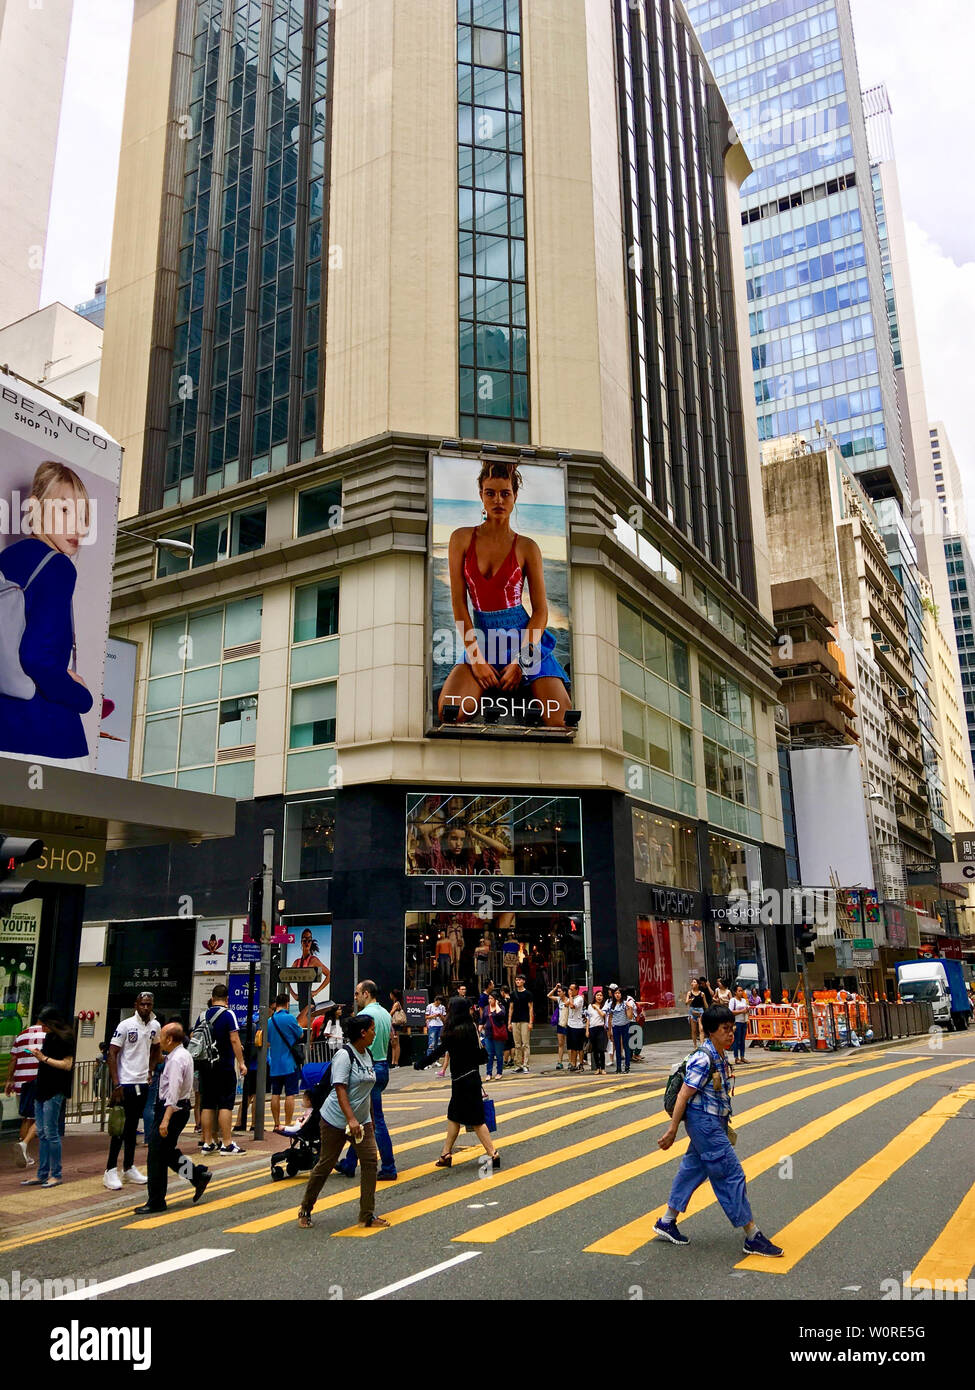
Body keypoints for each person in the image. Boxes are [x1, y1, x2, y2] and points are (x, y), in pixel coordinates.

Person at [438, 458, 571, 727]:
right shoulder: (461, 539)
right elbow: (459, 605)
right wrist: (476, 659)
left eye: (505, 493)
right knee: (450, 712)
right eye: (490, 493)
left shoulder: (527, 547)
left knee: (561, 721)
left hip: (524, 640)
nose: (498, 500)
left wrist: (522, 662)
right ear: (481, 496)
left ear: (515, 497)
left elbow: (541, 611)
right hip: (484, 640)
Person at [654, 1005, 783, 1257]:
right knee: (731, 1174)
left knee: (693, 1169)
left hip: (712, 1123)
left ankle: (667, 1221)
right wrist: (672, 1130)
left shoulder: (719, 1054)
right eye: (725, 1029)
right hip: (706, 1125)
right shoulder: (704, 1058)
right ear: (711, 1031)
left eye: (731, 1028)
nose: (730, 1033)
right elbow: (683, 1095)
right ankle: (752, 1235)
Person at [0, 461, 94, 764]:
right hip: (46, 737)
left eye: (82, 516)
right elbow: (36, 658)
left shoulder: (6, 559)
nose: (77, 527)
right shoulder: (57, 567)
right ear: (34, 508)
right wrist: (82, 696)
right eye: (65, 511)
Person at [297, 1014, 390, 1231]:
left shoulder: (367, 1054)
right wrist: (350, 1119)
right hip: (335, 1119)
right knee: (326, 1164)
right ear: (363, 1033)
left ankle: (366, 1215)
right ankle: (305, 1208)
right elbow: (340, 1089)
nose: (375, 1034)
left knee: (370, 1163)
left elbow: (366, 1091)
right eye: (373, 1029)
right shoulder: (344, 1055)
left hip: (362, 1120)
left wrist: (369, 1121)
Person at [134, 1023, 212, 1214]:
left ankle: (156, 1200)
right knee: (167, 1153)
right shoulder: (179, 1055)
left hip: (172, 1109)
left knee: (156, 1155)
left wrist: (165, 1119)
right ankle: (197, 1175)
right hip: (176, 1108)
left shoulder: (177, 1059)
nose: (159, 1040)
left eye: (161, 1036)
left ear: (169, 1039)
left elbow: (174, 1091)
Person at [414, 998, 500, 1169]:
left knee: (474, 1119)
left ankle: (493, 1153)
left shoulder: (453, 1032)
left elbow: (438, 1051)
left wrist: (420, 1064)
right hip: (473, 1077)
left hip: (460, 1080)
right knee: (455, 1115)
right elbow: (481, 1054)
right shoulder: (472, 1028)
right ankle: (446, 1154)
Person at [335, 980, 399, 1182]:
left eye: (357, 993)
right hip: (382, 1066)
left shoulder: (365, 1017)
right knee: (365, 1117)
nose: (355, 997)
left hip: (368, 1070)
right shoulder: (384, 1014)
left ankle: (388, 1166)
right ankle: (349, 1163)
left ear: (366, 994)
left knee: (375, 1120)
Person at [103, 990, 160, 1191]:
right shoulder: (125, 1025)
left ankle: (128, 1167)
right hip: (125, 1083)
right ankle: (110, 1169)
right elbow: (112, 1053)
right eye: (142, 1004)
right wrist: (116, 1083)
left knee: (132, 1127)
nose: (145, 1007)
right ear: (136, 1004)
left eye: (149, 1004)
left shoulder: (155, 1025)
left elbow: (156, 1048)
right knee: (118, 1128)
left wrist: (151, 1069)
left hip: (142, 1083)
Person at [21, 1005, 74, 1189]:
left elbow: (67, 1065)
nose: (40, 1026)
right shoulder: (49, 1037)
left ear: (51, 1022)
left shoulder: (66, 1038)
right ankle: (42, 1174)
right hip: (41, 1087)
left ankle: (56, 1174)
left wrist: (43, 1058)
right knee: (42, 1133)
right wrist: (39, 1056)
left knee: (51, 1133)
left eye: (42, 1023)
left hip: (55, 1089)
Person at [198, 984, 247, 1155]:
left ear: (212, 998)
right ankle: (227, 1144)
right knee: (226, 1104)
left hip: (206, 1067)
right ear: (227, 999)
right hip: (224, 1066)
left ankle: (207, 1143)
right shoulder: (229, 1014)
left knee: (208, 1104)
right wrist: (241, 1062)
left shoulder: (202, 1015)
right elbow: (234, 1040)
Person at [4, 1013, 44, 1167]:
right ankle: (25, 1147)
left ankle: (25, 1151)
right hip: (38, 1080)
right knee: (38, 1117)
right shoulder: (48, 1035)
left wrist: (9, 1079)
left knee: (26, 1117)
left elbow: (13, 1059)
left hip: (21, 1081)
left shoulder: (21, 1035)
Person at [267, 991, 304, 1130]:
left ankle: (276, 1123)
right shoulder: (290, 1019)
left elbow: (268, 1041)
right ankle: (287, 1123)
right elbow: (300, 1034)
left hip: (275, 1064)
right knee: (290, 1094)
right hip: (289, 1064)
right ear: (287, 1004)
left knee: (275, 1094)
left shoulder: (270, 1021)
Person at [288, 929, 331, 1028]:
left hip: (309, 1005)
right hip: (301, 1005)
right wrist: (293, 994)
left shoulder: (313, 960)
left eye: (309, 940)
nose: (307, 942)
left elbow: (329, 975)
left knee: (296, 1029)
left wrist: (317, 991)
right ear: (301, 942)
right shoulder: (297, 962)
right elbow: (284, 977)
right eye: (305, 940)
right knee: (305, 1033)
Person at [508, 973, 534, 1073]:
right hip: (515, 1020)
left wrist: (531, 1022)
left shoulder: (528, 994)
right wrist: (509, 1022)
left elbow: (531, 1008)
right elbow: (511, 1008)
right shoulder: (513, 994)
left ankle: (526, 1064)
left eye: (519, 980)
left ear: (523, 981)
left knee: (525, 1044)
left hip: (525, 1020)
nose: (517, 981)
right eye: (516, 980)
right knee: (517, 1044)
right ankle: (518, 1064)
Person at [607, 986, 635, 1074]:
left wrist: (630, 1008)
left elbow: (630, 1017)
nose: (617, 995)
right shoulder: (611, 1004)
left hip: (625, 1026)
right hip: (615, 1027)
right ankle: (618, 1067)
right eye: (615, 993)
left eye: (619, 993)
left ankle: (627, 1066)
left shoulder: (625, 1003)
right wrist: (609, 1029)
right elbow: (610, 1018)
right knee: (617, 1047)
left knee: (626, 1046)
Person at [483, 990, 507, 1080]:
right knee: (489, 1055)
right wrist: (480, 1028)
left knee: (499, 1054)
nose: (490, 1000)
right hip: (488, 1034)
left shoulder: (501, 1007)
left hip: (498, 1035)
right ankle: (489, 1073)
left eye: (492, 998)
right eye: (489, 998)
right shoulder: (486, 1008)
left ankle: (499, 1072)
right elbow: (482, 1020)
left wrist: (496, 1004)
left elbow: (501, 1014)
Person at [564, 983, 587, 1073]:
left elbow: (572, 1006)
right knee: (572, 1047)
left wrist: (570, 996)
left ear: (577, 990)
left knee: (579, 1047)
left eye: (572, 989)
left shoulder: (580, 999)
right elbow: (566, 1004)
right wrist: (569, 997)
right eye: (569, 989)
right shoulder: (572, 998)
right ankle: (573, 1063)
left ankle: (581, 1064)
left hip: (578, 1026)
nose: (570, 991)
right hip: (570, 1024)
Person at [586, 987, 608, 1075]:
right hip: (592, 1028)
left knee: (601, 1049)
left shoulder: (604, 1006)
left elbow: (603, 1015)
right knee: (594, 1049)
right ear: (595, 996)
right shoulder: (589, 1006)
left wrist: (597, 1007)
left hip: (601, 1029)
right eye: (598, 995)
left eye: (601, 995)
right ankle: (597, 1068)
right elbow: (588, 1019)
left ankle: (602, 1068)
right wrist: (587, 1030)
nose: (599, 997)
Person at [547, 984, 568, 1069]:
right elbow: (549, 995)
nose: (558, 993)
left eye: (559, 991)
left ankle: (571, 1062)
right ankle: (560, 1061)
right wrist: (555, 988)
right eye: (558, 992)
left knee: (568, 1044)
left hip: (568, 1024)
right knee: (560, 1044)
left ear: (564, 992)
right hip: (560, 1024)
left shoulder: (569, 1000)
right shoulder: (559, 999)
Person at [730, 985, 750, 1064]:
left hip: (744, 1022)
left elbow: (746, 1009)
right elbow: (731, 1011)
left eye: (742, 991)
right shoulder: (733, 1000)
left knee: (742, 1040)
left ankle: (742, 1057)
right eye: (739, 991)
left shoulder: (744, 1000)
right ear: (735, 992)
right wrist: (742, 1011)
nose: (741, 992)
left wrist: (747, 1010)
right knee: (736, 1040)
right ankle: (736, 1057)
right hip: (736, 1022)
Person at [686, 978, 707, 1047]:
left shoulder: (702, 993)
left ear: (698, 984)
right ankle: (695, 1045)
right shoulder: (689, 993)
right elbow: (686, 1003)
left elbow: (705, 1005)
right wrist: (689, 1000)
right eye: (692, 982)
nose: (693, 983)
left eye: (694, 982)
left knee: (701, 1029)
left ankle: (702, 1044)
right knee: (694, 1030)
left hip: (700, 1011)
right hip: (692, 1011)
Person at [389, 989, 409, 1064]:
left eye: (391, 994)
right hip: (395, 1025)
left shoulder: (396, 1004)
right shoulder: (397, 1003)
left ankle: (395, 1062)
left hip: (395, 1025)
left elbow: (391, 1013)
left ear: (393, 995)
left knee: (396, 1043)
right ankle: (393, 1061)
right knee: (393, 1043)